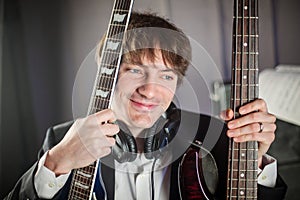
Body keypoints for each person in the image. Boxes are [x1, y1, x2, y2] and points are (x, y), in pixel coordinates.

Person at [5, 12, 286, 200]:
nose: (150, 90)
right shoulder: (62, 138)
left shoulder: (214, 135)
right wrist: (56, 162)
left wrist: (255, 162)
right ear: (107, 73)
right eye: (135, 70)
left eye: (166, 76)